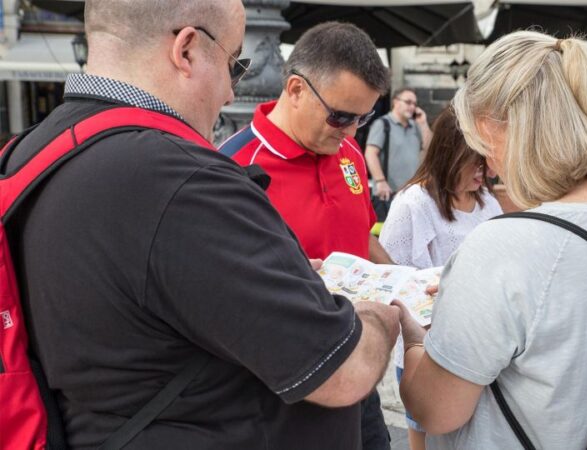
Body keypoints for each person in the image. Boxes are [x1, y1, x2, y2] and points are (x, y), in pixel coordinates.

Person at [6, 2, 399, 448]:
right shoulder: (179, 180)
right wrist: (376, 317)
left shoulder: (33, 151)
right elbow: (342, 374)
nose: (232, 94)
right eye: (234, 63)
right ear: (187, 49)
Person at [395, 31, 587, 449]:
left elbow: (436, 411)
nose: (490, 168)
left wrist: (416, 341)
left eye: (484, 148)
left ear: (492, 126)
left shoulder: (504, 247)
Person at [218, 21, 395, 449]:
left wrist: (405, 281)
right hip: (284, 391)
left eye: (364, 117)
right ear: (295, 89)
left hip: (359, 370)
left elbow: (360, 235)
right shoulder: (232, 170)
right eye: (341, 116)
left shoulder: (347, 150)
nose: (352, 132)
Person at [378, 106, 503, 450]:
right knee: (426, 435)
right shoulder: (413, 204)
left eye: (487, 160)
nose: (485, 170)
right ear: (450, 154)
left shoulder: (488, 203)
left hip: (479, 343)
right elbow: (394, 275)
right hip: (428, 347)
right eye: (475, 161)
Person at [365, 87, 432, 202]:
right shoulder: (383, 124)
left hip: (413, 193)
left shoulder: (416, 126)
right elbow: (370, 153)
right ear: (395, 102)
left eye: (415, 104)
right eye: (408, 102)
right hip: (389, 194)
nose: (412, 107)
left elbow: (429, 149)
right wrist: (380, 181)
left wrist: (423, 123)